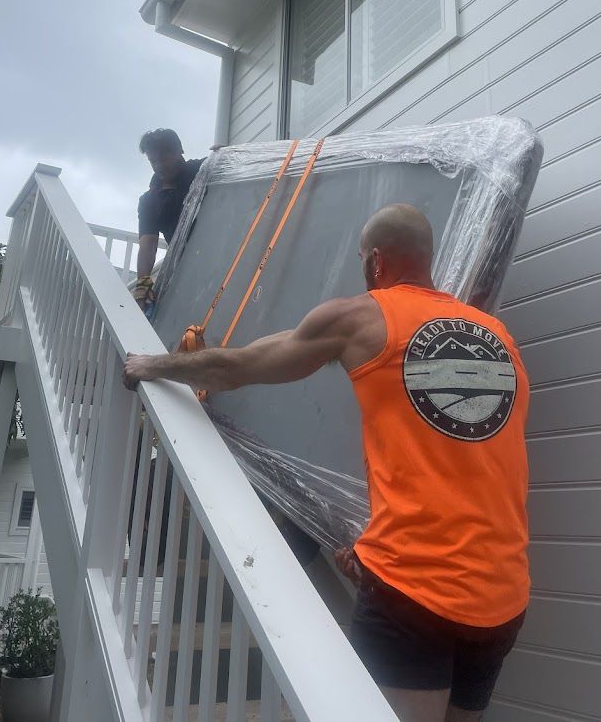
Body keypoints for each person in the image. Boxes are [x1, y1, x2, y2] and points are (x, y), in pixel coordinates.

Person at [123, 203, 530, 722]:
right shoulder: (497, 336)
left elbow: (238, 367)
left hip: (415, 590)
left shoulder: (359, 317)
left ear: (376, 262)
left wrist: (151, 363)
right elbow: (454, 458)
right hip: (503, 595)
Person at [133, 128, 205, 312]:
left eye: (163, 157)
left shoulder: (204, 170)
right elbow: (147, 246)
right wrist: (143, 286)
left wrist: (226, 154)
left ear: (179, 150)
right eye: (152, 160)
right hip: (187, 271)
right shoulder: (150, 201)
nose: (158, 165)